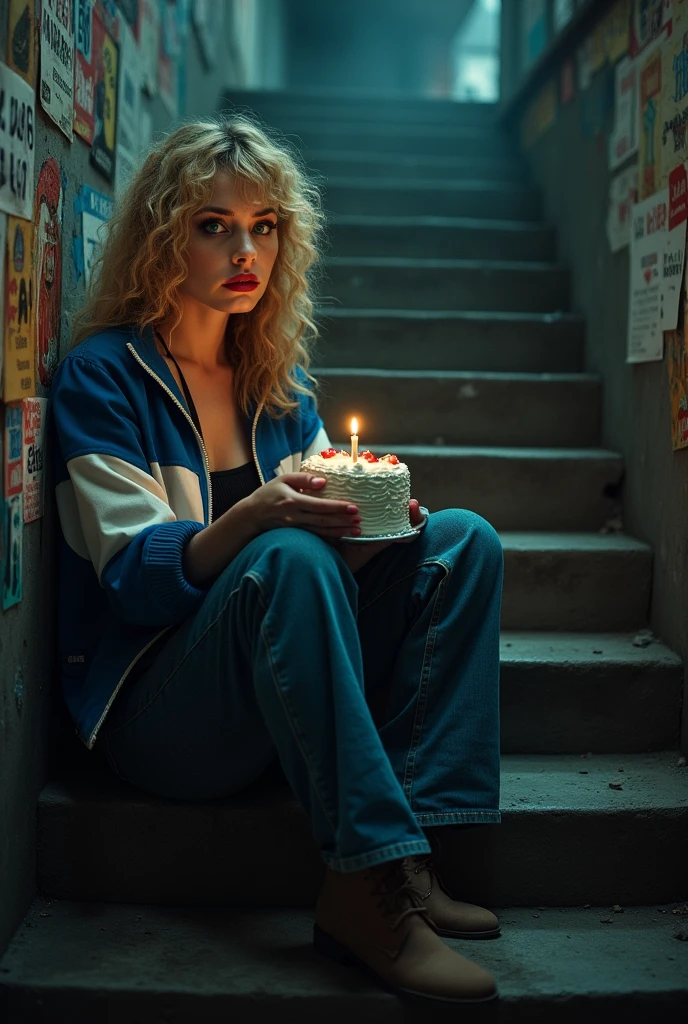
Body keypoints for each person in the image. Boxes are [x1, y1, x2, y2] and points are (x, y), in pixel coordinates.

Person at [49, 115, 504, 1006]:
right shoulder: (102, 378)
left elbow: (330, 567)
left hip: (274, 684)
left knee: (461, 540)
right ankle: (364, 891)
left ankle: (412, 853)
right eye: (213, 224)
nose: (244, 249)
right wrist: (259, 515)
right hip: (160, 716)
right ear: (161, 235)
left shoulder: (279, 386)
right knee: (288, 551)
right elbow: (136, 583)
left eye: (265, 226)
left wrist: (378, 530)